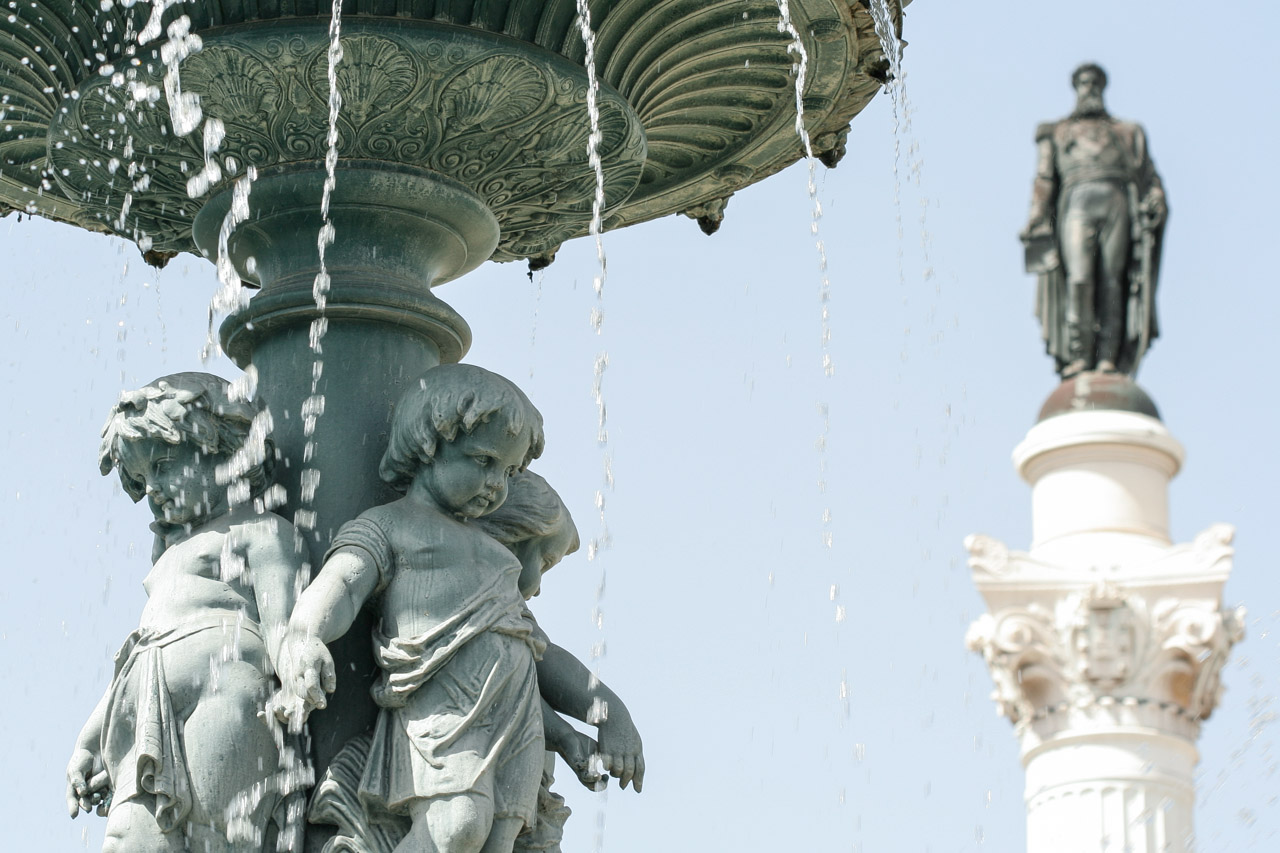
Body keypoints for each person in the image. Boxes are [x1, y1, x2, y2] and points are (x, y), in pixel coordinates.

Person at [275, 363, 549, 853]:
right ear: (428, 445)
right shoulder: (390, 525)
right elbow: (343, 583)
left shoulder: (499, 554)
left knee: (501, 839)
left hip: (515, 711)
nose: (496, 484)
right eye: (483, 460)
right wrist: (304, 635)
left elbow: (534, 644)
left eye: (509, 472)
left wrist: (604, 712)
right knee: (457, 826)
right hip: (446, 706)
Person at [67, 372, 304, 851]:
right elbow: (140, 648)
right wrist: (89, 741)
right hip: (145, 699)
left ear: (221, 449)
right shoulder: (168, 554)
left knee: (214, 837)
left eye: (164, 465)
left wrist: (299, 664)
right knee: (127, 840)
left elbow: (284, 628)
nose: (153, 488)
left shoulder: (260, 531)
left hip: (226, 691)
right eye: (142, 478)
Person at [472, 470, 646, 852]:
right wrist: (605, 717)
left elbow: (525, 676)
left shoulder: (500, 610)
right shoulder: (479, 602)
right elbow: (519, 680)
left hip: (517, 793)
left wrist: (602, 720)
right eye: (546, 562)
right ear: (509, 540)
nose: (540, 584)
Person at [1022, 63, 1167, 379]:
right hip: (1076, 202)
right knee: (1079, 279)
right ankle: (1079, 354)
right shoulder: (1058, 132)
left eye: (1095, 83)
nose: (1090, 88)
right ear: (1076, 88)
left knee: (1112, 280)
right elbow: (1044, 178)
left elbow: (1149, 176)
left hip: (1116, 203)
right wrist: (1036, 217)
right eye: (1084, 83)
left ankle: (1107, 358)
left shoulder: (1127, 132)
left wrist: (1156, 196)